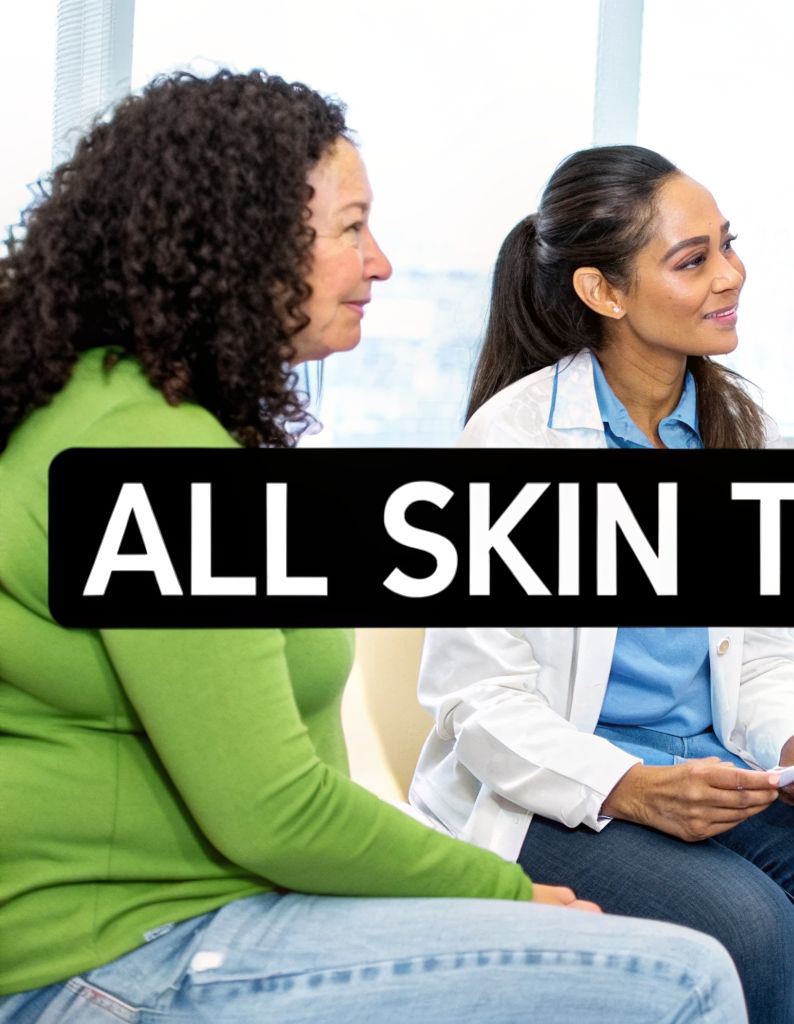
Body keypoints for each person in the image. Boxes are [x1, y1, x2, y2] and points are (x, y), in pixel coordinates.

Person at [0, 71, 745, 1023]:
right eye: (351, 229)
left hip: (204, 911)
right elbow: (274, 809)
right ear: (240, 242)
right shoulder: (152, 452)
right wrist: (501, 892)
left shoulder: (124, 410)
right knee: (684, 978)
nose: (381, 262)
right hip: (121, 955)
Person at [410, 145, 794, 1024]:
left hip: (711, 772)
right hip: (556, 788)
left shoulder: (737, 431)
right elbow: (478, 701)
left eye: (728, 244)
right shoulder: (513, 444)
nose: (732, 275)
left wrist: (792, 742)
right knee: (745, 926)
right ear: (603, 292)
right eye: (693, 260)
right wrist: (633, 787)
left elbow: (758, 646)